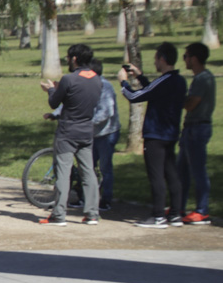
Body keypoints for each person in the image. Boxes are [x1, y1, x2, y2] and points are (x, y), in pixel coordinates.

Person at [118, 42, 187, 228]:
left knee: (156, 175)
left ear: (162, 59)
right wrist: (139, 76)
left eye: (156, 58)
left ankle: (158, 216)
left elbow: (134, 97)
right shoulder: (179, 81)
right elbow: (155, 92)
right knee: (172, 174)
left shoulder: (164, 80)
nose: (155, 62)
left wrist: (123, 82)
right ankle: (175, 214)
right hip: (170, 133)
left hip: (155, 134)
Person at [39, 43, 101, 226]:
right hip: (86, 132)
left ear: (74, 59)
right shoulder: (97, 79)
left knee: (63, 173)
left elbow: (53, 102)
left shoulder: (69, 79)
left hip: (67, 132)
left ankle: (59, 214)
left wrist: (51, 89)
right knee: (88, 172)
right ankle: (92, 213)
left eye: (68, 57)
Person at [177, 42, 214, 225]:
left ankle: (202, 210)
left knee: (197, 170)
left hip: (198, 128)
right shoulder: (199, 78)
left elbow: (192, 104)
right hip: (191, 127)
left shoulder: (203, 78)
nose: (184, 60)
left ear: (194, 58)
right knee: (181, 170)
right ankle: (179, 207)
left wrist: (179, 98)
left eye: (186, 56)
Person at [90, 60, 120, 211]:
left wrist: (89, 123)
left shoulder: (105, 87)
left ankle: (106, 199)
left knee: (105, 167)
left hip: (107, 132)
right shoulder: (87, 86)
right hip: (92, 133)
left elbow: (107, 111)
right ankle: (87, 197)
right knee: (89, 165)